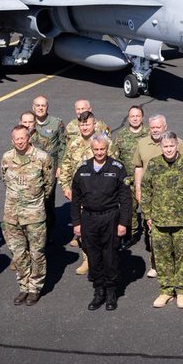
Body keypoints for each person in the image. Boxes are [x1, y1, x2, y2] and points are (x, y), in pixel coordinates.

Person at [141, 132, 183, 309]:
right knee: (162, 259)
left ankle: (182, 291)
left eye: (171, 146)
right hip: (160, 222)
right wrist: (148, 215)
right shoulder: (154, 165)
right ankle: (166, 291)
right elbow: (146, 191)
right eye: (165, 146)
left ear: (177, 146)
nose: (168, 149)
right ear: (161, 147)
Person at [71, 134, 131, 311]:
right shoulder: (83, 169)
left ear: (107, 148)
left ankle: (112, 292)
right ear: (92, 149)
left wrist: (123, 223)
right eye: (96, 149)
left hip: (110, 217)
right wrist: (76, 223)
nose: (99, 153)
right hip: (89, 218)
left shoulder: (117, 168)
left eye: (102, 149)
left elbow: (126, 198)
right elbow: (75, 199)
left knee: (110, 255)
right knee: (94, 255)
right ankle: (98, 291)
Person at [59, 112, 119, 276]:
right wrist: (65, 187)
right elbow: (65, 167)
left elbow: (115, 167)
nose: (85, 127)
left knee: (104, 231)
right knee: (84, 231)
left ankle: (103, 259)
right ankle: (87, 259)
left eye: (88, 124)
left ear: (94, 124)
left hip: (102, 197)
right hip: (80, 196)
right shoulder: (73, 144)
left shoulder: (104, 143)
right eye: (82, 125)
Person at [1, 124, 53, 305]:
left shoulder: (42, 158)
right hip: (11, 216)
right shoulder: (7, 158)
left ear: (29, 137)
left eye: (23, 137)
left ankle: (35, 288)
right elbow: (4, 180)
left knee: (36, 253)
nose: (20, 141)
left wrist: (34, 202)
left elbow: (48, 185)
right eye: (17, 139)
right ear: (12, 140)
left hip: (34, 216)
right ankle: (23, 286)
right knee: (18, 253)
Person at [132, 114, 175, 278]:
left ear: (165, 126)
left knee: (173, 231)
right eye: (153, 127)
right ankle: (156, 264)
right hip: (151, 195)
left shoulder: (176, 142)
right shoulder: (142, 143)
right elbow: (138, 167)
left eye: (158, 127)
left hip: (172, 197)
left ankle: (172, 264)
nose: (155, 130)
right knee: (152, 230)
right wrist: (138, 189)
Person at [30, 95, 65, 242]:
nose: (40, 108)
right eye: (37, 105)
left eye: (43, 105)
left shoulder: (56, 123)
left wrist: (61, 166)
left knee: (48, 201)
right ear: (33, 107)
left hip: (50, 169)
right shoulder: (28, 122)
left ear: (47, 107)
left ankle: (48, 232)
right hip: (32, 170)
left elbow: (63, 145)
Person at [112, 105, 148, 249]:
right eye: (132, 116)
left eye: (137, 116)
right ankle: (131, 234)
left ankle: (149, 235)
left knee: (147, 208)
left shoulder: (149, 133)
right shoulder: (121, 136)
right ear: (128, 118)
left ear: (142, 118)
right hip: (127, 179)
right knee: (129, 209)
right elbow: (115, 157)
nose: (134, 118)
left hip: (146, 180)